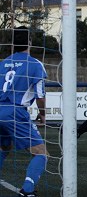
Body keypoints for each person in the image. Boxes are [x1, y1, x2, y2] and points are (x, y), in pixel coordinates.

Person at [0, 26, 48, 197]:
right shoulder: (35, 64)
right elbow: (40, 95)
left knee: (4, 147)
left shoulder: (3, 62)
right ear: (30, 42)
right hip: (15, 112)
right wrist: (42, 113)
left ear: (12, 43)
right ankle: (27, 190)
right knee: (41, 153)